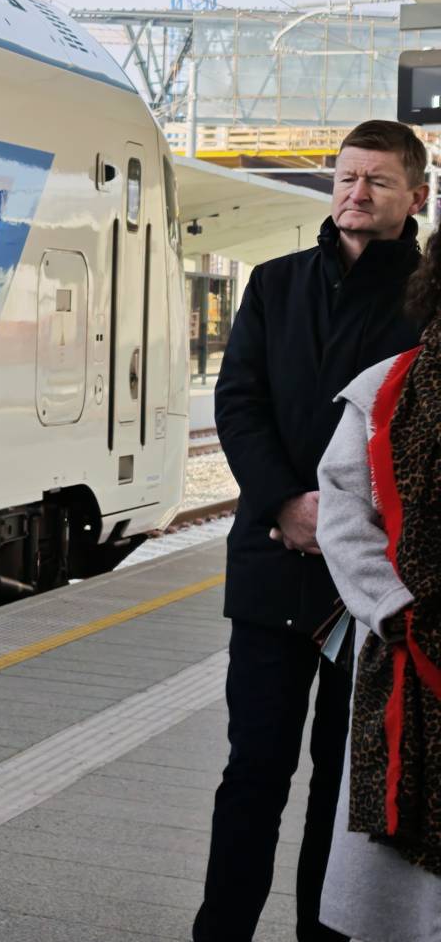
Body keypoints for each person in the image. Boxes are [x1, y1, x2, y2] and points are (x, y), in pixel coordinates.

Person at [196, 120, 430, 942]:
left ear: (417, 196)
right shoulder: (274, 283)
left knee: (343, 784)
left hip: (369, 594)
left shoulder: (428, 299)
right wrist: (286, 504)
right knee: (252, 772)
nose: (355, 194)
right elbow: (239, 404)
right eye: (344, 178)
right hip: (272, 568)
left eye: (377, 181)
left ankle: (318, 935)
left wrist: (340, 529)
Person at [316, 223, 441, 941]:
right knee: (402, 895)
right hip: (406, 650)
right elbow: (344, 515)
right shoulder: (384, 389)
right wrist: (394, 609)